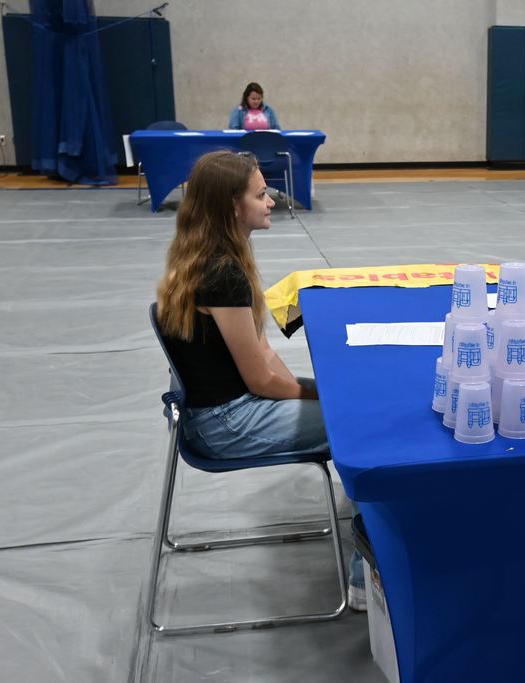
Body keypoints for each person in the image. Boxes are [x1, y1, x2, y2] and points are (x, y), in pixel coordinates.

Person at [154, 151, 366, 611]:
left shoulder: (208, 255)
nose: (271, 201)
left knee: (349, 400)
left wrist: (318, 394)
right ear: (232, 206)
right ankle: (366, 580)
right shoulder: (222, 274)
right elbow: (260, 381)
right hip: (226, 423)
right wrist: (323, 398)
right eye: (260, 194)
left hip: (222, 410)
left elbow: (264, 354)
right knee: (362, 426)